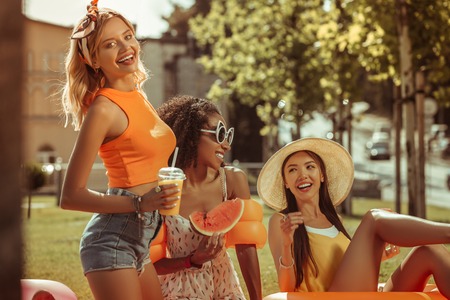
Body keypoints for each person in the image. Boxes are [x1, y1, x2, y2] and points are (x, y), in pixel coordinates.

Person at [59, 1, 179, 299]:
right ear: (94, 59)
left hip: (141, 240)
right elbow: (71, 196)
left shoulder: (139, 96)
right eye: (110, 44)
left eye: (128, 36)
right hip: (112, 240)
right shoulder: (103, 108)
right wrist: (141, 204)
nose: (126, 47)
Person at [257, 137, 450, 296]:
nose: (302, 175)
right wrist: (286, 244)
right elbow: (287, 289)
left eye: (310, 167)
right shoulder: (281, 222)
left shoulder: (334, 220)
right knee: (374, 219)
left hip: (359, 293)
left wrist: (376, 256)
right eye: (292, 170)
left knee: (428, 249)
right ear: (286, 183)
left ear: (322, 175)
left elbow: (345, 269)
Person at [154, 95, 263, 300]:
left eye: (228, 136)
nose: (226, 145)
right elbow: (151, 265)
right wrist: (192, 260)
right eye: (219, 134)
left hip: (226, 288)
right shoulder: (165, 186)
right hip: (179, 291)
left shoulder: (232, 180)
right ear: (191, 135)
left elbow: (246, 247)